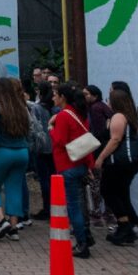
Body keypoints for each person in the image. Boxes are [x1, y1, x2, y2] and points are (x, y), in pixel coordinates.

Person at [50, 82, 95, 259]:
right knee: (80, 204)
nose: (53, 97)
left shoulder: (63, 116)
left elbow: (60, 140)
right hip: (80, 163)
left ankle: (82, 242)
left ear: (62, 97)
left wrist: (51, 128)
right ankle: (85, 235)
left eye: (55, 94)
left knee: (73, 206)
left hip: (67, 165)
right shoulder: (79, 114)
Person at [0, 77, 30, 243]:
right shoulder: (21, 106)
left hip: (1, 150)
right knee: (14, 188)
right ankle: (14, 227)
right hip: (22, 151)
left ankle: (2, 220)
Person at [95, 84, 138, 246]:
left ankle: (124, 225)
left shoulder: (118, 116)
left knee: (107, 190)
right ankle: (127, 225)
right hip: (132, 161)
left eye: (109, 99)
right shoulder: (130, 116)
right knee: (120, 192)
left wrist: (101, 157)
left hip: (120, 161)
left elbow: (115, 139)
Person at [84, 84, 113, 227]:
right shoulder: (103, 107)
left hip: (98, 150)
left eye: (87, 94)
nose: (84, 97)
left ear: (95, 96)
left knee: (96, 182)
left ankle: (96, 213)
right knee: (105, 182)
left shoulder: (95, 109)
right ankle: (108, 212)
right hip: (106, 150)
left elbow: (98, 131)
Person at [28, 82, 55, 220]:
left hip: (42, 147)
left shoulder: (37, 108)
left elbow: (33, 128)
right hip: (55, 146)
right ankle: (56, 205)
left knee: (44, 179)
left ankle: (47, 208)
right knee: (54, 178)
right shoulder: (55, 107)